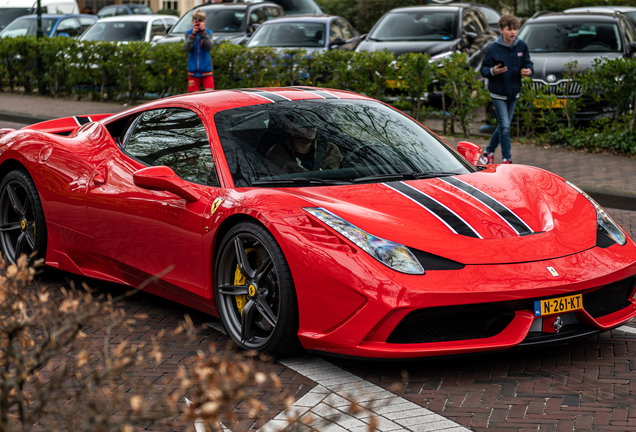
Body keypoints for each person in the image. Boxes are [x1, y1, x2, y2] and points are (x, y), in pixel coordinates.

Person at [479, 15, 533, 165]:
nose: (513, 32)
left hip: (513, 92)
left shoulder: (522, 46)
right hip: (498, 92)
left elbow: (528, 62)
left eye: (515, 29)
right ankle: (507, 159)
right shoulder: (493, 48)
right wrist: (493, 71)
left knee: (504, 126)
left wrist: (529, 70)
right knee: (505, 127)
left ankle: (488, 153)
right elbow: (483, 70)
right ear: (501, 30)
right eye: (509, 29)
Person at [265, 112, 343, 173]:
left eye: (314, 122)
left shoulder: (329, 150)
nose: (311, 128)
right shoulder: (278, 154)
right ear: (290, 126)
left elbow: (343, 175)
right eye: (304, 122)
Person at [183, 10, 214, 92]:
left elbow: (210, 46)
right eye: (196, 20)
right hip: (193, 70)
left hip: (206, 70)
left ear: (204, 21)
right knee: (193, 96)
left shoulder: (208, 33)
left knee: (210, 95)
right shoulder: (188, 33)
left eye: (200, 21)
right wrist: (193, 35)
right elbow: (186, 48)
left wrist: (203, 33)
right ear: (192, 21)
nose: (198, 23)